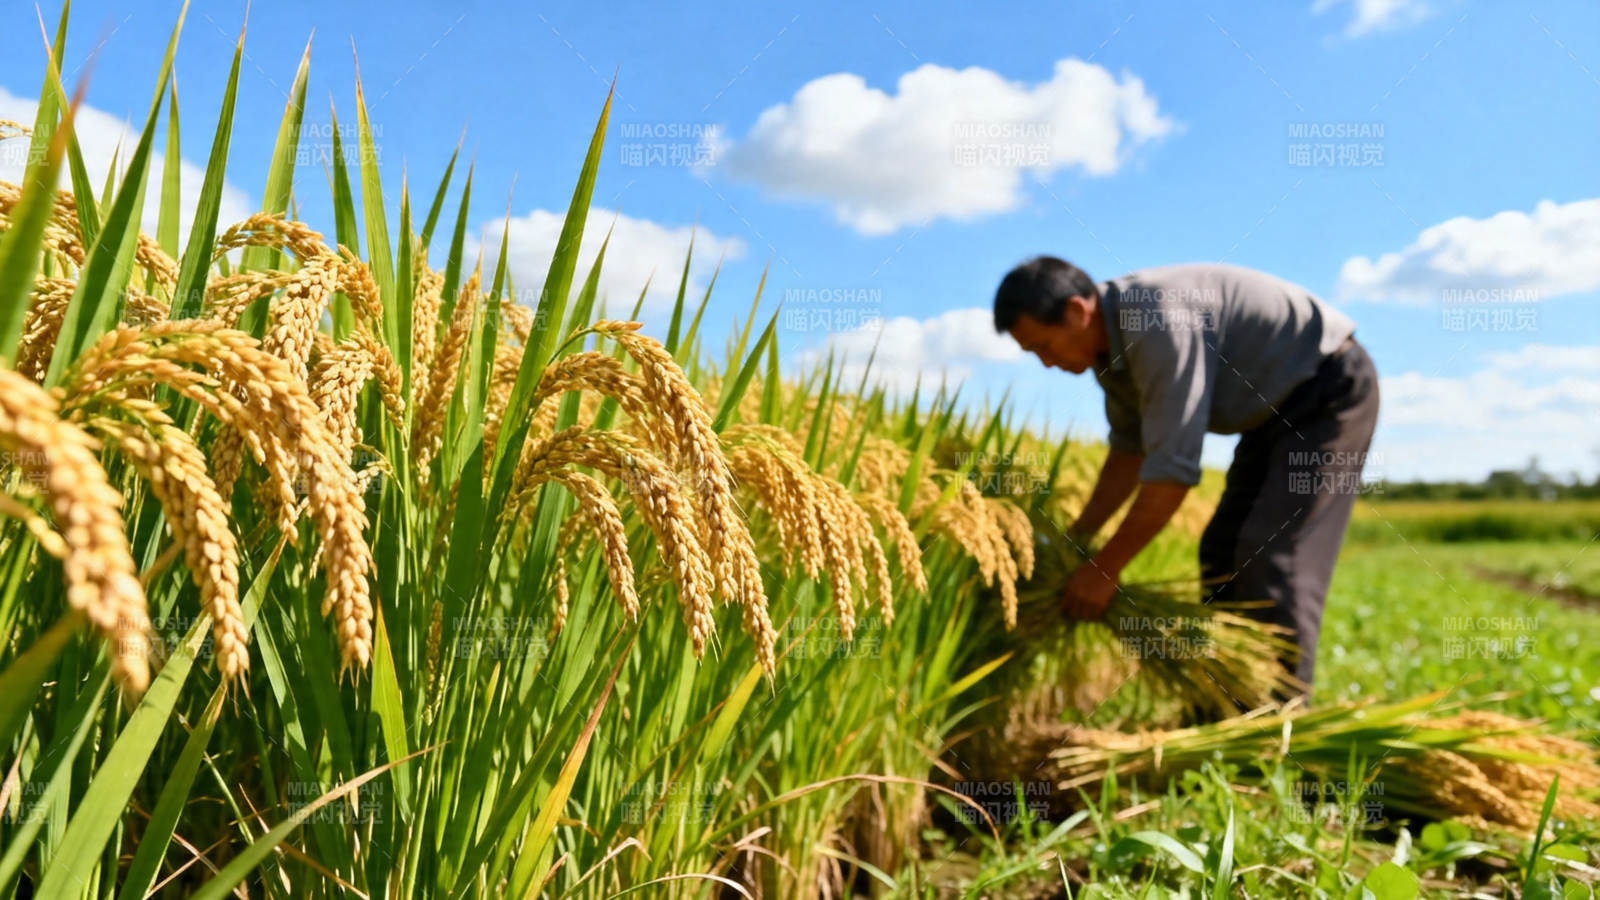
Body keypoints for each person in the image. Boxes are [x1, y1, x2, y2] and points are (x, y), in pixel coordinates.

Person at [992, 257, 1380, 694]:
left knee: (1271, 556)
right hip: (1269, 417)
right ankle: (1223, 701)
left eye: (1043, 346)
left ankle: (1277, 716)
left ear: (1077, 312)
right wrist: (1077, 541)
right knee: (1221, 552)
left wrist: (1104, 569)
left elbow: (1171, 471)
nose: (1046, 363)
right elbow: (1130, 452)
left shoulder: (1155, 321)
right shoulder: (1109, 354)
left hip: (1326, 390)